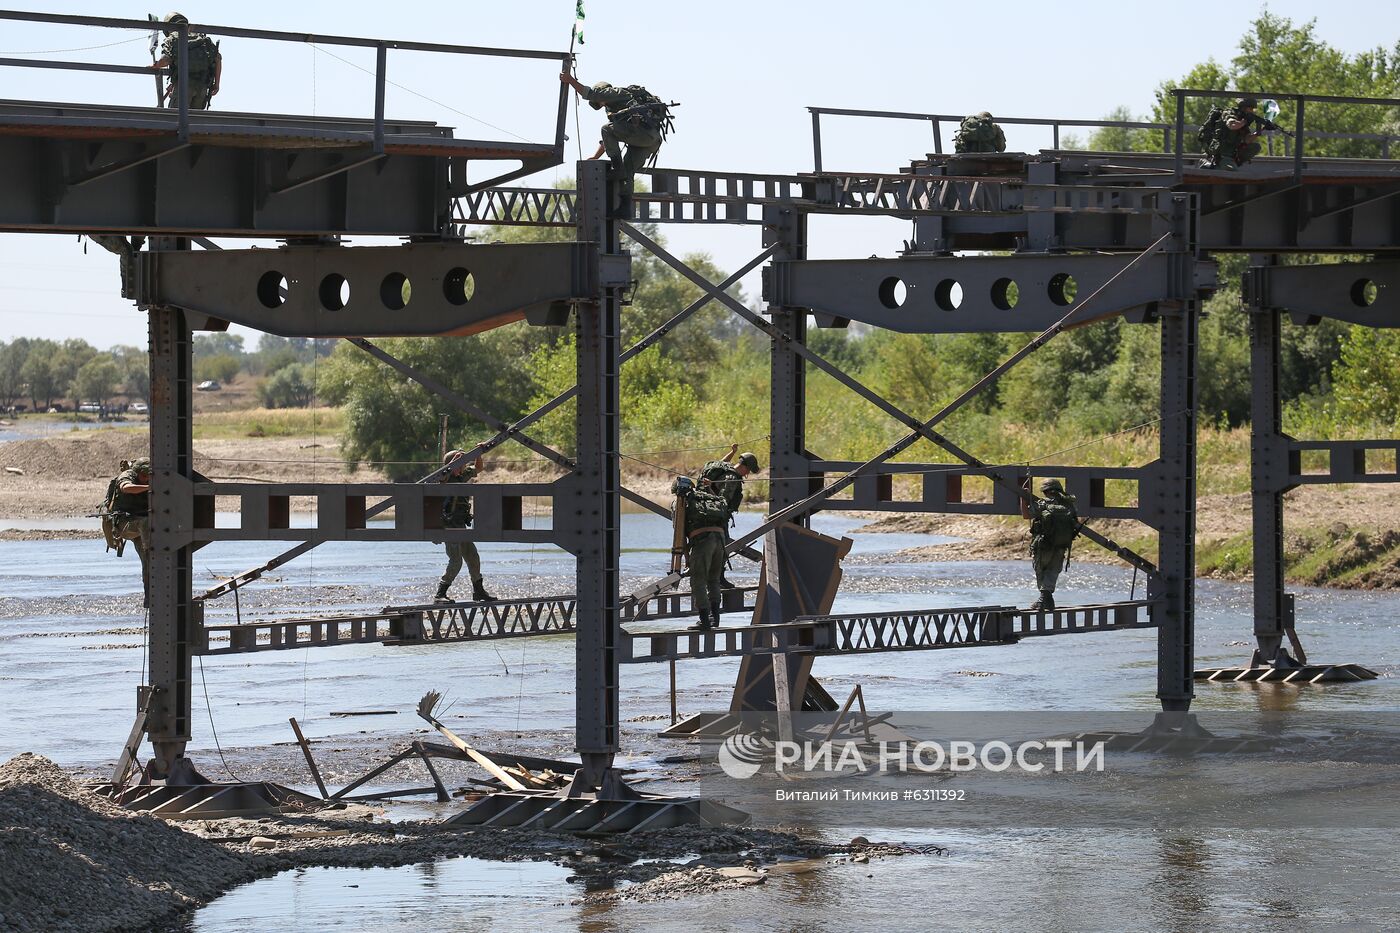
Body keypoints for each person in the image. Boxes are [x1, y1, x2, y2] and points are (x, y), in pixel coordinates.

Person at [559, 71, 673, 182]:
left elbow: (590, 94)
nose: (600, 103)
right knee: (626, 175)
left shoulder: (614, 93)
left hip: (643, 134)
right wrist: (596, 157)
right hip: (651, 140)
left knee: (606, 129)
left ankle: (618, 169)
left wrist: (570, 80)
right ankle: (624, 199)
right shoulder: (614, 107)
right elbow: (609, 138)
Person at [434, 449, 495, 604]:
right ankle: (440, 594)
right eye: (460, 464)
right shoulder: (444, 478)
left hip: (461, 525)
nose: (462, 468)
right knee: (456, 561)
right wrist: (455, 460)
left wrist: (478, 454)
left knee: (473, 557)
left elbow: (478, 468)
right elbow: (443, 476)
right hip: (449, 527)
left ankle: (478, 591)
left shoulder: (461, 476)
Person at [672, 475, 732, 630]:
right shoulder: (709, 498)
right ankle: (715, 618)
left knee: (698, 580)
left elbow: (680, 534)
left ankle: (704, 620)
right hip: (720, 541)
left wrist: (686, 559)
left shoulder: (681, 503)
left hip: (703, 541)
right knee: (713, 579)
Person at [699, 446, 763, 587]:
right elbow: (722, 503)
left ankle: (709, 578)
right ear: (745, 468)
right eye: (749, 471)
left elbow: (723, 460)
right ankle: (719, 579)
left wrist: (732, 452)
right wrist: (710, 487)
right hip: (717, 519)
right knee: (722, 548)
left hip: (703, 514)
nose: (747, 474)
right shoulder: (733, 479)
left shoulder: (725, 467)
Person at [1019, 479, 1080, 612]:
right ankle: (1046, 600)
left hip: (1043, 545)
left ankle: (1043, 600)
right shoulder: (1069, 505)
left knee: (1041, 570)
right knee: (1052, 572)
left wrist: (1023, 499)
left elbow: (1026, 515)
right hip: (1061, 545)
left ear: (1045, 492)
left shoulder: (1043, 504)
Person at [100, 457, 152, 607]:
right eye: (144, 475)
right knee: (145, 525)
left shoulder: (149, 479)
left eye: (150, 476)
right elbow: (126, 487)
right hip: (124, 525)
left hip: (142, 525)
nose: (147, 478)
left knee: (148, 563)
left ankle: (149, 595)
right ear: (137, 472)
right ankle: (150, 549)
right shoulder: (127, 476)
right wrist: (150, 487)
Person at [150, 13, 222, 111]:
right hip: (202, 88)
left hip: (182, 88)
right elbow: (217, 59)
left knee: (174, 119)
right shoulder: (203, 39)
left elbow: (165, 60)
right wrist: (217, 84)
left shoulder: (173, 38)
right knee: (195, 122)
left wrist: (156, 65)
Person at [1201, 98, 1270, 170]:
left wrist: (1259, 131)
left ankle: (1232, 163)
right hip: (1220, 153)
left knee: (1255, 147)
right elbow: (1232, 126)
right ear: (1244, 108)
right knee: (1230, 171)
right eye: (1251, 109)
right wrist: (1244, 121)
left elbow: (1247, 140)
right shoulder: (1230, 113)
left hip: (1232, 153)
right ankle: (1210, 164)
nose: (1252, 111)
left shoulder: (1243, 121)